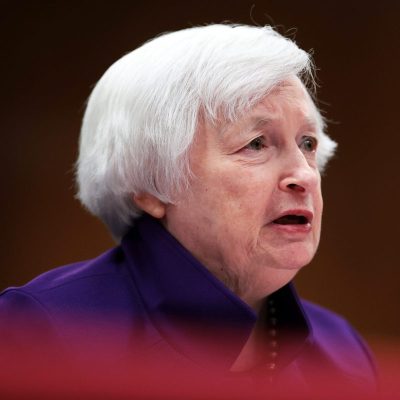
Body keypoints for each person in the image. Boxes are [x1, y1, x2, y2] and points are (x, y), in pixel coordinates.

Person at [0, 24, 377, 398]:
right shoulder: (40, 331)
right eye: (255, 143)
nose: (304, 175)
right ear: (151, 185)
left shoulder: (342, 350)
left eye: (307, 143)